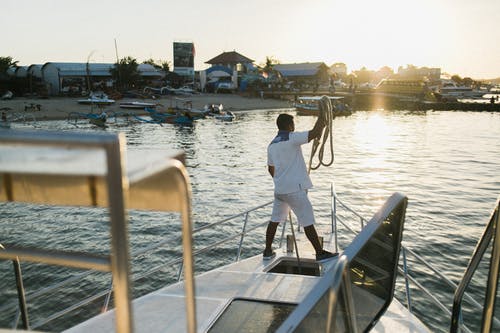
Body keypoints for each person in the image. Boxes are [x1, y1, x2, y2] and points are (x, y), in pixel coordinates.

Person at [264, 112, 338, 262]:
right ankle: (319, 253)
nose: (294, 126)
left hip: (280, 190)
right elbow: (315, 132)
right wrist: (322, 117)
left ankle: (267, 250)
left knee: (275, 220)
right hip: (294, 190)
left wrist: (281, 180)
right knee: (307, 220)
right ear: (289, 125)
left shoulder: (271, 145)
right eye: (293, 123)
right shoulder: (292, 138)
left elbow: (270, 169)